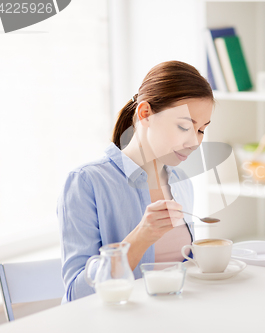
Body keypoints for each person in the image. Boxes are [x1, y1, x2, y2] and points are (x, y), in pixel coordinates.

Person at [58, 61, 214, 302]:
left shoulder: (182, 182)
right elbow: (76, 295)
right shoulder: (86, 182)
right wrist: (142, 235)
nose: (195, 142)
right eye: (185, 126)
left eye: (202, 130)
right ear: (145, 114)